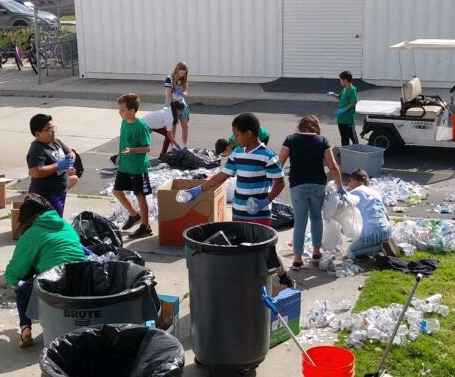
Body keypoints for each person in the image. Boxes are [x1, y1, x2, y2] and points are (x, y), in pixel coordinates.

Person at [179, 113, 296, 288]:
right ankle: (247, 282)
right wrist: (198, 189)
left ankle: (283, 276)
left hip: (260, 214)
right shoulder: (237, 154)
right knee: (241, 247)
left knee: (265, 250)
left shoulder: (267, 156)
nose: (234, 138)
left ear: (248, 133)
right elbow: (222, 176)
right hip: (239, 212)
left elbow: (280, 183)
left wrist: (265, 201)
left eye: (237, 134)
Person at [4, 194, 88, 347]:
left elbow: (14, 272)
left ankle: (25, 329)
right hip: (85, 277)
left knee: (22, 289)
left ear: (26, 218)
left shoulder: (32, 233)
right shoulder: (65, 225)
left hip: (56, 282)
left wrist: (13, 281)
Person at [278, 115, 345, 268]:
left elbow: (279, 163)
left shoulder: (290, 140)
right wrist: (341, 188)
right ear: (316, 127)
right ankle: (316, 252)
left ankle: (297, 258)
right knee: (316, 218)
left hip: (297, 185)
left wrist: (274, 182)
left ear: (300, 127)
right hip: (317, 185)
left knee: (300, 222)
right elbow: (333, 166)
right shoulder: (322, 141)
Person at [114, 93, 154, 239]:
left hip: (137, 167)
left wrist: (132, 150)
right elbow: (124, 143)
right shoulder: (124, 123)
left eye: (123, 110)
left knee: (140, 196)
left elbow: (147, 148)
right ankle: (134, 215)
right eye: (119, 110)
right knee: (117, 191)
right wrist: (119, 155)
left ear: (132, 111)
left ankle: (145, 226)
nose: (120, 113)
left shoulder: (141, 126)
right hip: (125, 166)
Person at [27, 113, 77, 218]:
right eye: (48, 129)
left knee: (58, 220)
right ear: (37, 134)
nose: (53, 131)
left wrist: (69, 163)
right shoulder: (37, 150)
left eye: (53, 127)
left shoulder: (55, 142)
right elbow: (36, 172)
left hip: (59, 192)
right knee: (53, 223)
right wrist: (59, 165)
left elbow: (70, 152)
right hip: (46, 196)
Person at [344, 169, 393, 258]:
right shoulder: (374, 192)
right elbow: (387, 217)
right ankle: (384, 243)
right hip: (387, 231)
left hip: (371, 234)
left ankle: (379, 247)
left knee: (349, 252)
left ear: (353, 180)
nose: (348, 185)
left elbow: (345, 216)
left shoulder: (353, 194)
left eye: (349, 181)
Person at [328, 71, 358, 146]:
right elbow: (340, 97)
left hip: (348, 120)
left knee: (353, 137)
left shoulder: (352, 90)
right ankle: (344, 152)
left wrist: (344, 109)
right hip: (341, 119)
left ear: (345, 80)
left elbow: (353, 102)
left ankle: (358, 152)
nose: (340, 81)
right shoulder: (344, 89)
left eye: (340, 80)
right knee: (344, 137)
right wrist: (333, 94)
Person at [165, 62, 190, 146]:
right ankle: (173, 147)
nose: (182, 75)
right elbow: (168, 95)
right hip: (172, 103)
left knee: (185, 125)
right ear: (177, 69)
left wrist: (181, 92)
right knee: (173, 126)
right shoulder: (169, 78)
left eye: (184, 73)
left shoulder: (183, 79)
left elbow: (185, 92)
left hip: (181, 103)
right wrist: (167, 108)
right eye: (181, 72)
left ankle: (184, 146)